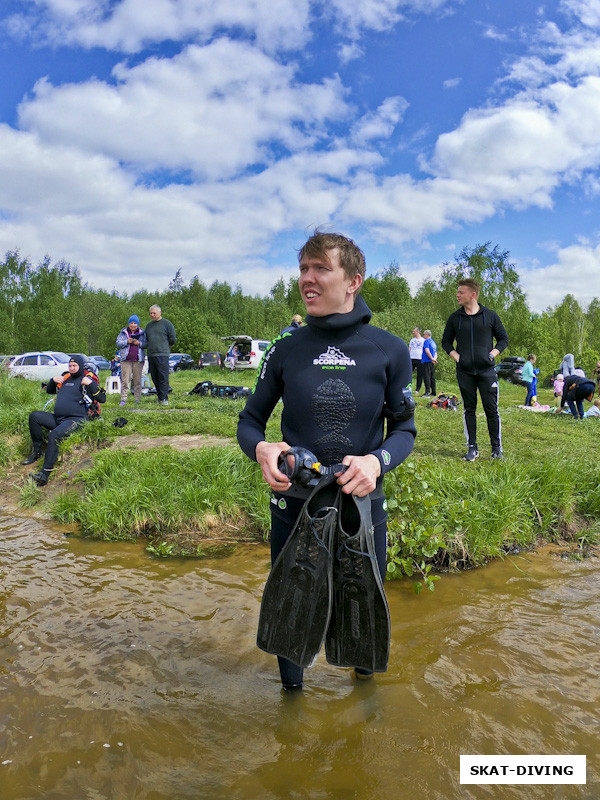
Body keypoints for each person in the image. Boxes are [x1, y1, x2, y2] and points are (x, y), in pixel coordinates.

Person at [237, 231, 416, 691]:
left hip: (362, 503)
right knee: (291, 615)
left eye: (320, 269)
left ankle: (365, 711)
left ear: (354, 280)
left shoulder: (389, 350)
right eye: (302, 269)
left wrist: (377, 462)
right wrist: (261, 448)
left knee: (364, 615)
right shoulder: (285, 349)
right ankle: (291, 703)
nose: (307, 279)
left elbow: (405, 430)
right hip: (297, 504)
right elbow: (250, 421)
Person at [441, 278, 508, 461]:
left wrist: (492, 354)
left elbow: (503, 339)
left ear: (473, 294)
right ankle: (472, 448)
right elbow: (445, 342)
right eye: (458, 292)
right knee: (469, 409)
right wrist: (457, 357)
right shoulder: (455, 318)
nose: (457, 295)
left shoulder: (490, 316)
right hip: (465, 372)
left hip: (487, 372)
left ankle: (496, 449)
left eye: (460, 292)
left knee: (491, 410)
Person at [23, 355, 106, 485]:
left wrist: (91, 384)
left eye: (75, 366)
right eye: (70, 366)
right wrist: (52, 380)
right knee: (34, 416)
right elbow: (50, 391)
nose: (72, 368)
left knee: (55, 435)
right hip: (59, 419)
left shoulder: (86, 379)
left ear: (80, 366)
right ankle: (37, 453)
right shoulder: (66, 378)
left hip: (76, 419)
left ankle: (44, 475)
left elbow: (102, 398)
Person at [145, 305, 176, 406]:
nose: (152, 315)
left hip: (162, 354)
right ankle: (159, 396)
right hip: (151, 354)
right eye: (151, 313)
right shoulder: (149, 326)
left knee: (163, 376)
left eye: (154, 313)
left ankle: (164, 398)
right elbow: (146, 340)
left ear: (160, 312)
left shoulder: (167, 324)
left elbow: (172, 339)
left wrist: (165, 348)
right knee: (154, 377)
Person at [116, 315, 147, 406]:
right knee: (125, 380)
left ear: (137, 324)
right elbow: (118, 343)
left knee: (137, 381)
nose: (133, 325)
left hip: (138, 360)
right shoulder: (123, 332)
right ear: (129, 324)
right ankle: (123, 399)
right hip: (126, 360)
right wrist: (127, 341)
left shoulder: (142, 333)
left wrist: (139, 343)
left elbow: (146, 344)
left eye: (135, 323)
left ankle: (137, 399)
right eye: (131, 323)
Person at [421, 329, 437, 397]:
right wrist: (434, 359)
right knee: (432, 377)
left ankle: (427, 392)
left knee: (426, 376)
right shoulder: (433, 342)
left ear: (427, 334)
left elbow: (427, 351)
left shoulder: (426, 341)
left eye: (424, 334)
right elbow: (436, 353)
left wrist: (431, 358)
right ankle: (433, 392)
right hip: (432, 362)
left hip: (426, 361)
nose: (423, 335)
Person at [408, 327, 425, 393]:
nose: (413, 332)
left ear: (417, 332)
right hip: (412, 358)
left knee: (419, 375)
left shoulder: (423, 340)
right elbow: (409, 348)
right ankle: (408, 387)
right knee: (409, 373)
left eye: (414, 331)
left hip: (420, 358)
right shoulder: (412, 340)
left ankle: (417, 389)